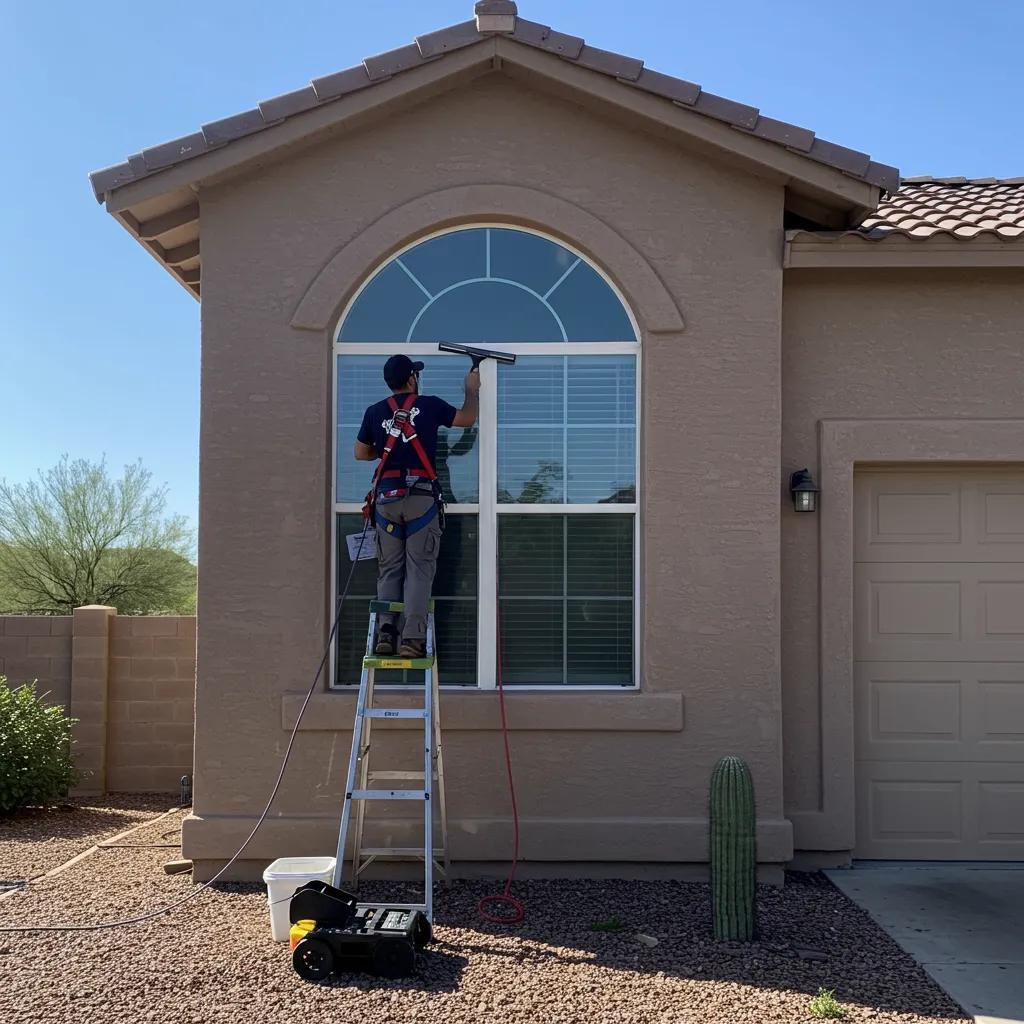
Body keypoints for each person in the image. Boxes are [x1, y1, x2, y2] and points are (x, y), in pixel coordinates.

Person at [355, 354, 479, 658]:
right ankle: (411, 640)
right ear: (412, 379)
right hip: (421, 499)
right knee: (419, 570)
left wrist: (388, 446)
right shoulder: (431, 405)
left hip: (386, 500)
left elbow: (360, 453)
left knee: (390, 569)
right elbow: (467, 419)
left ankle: (386, 634)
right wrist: (471, 389)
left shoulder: (374, 412)